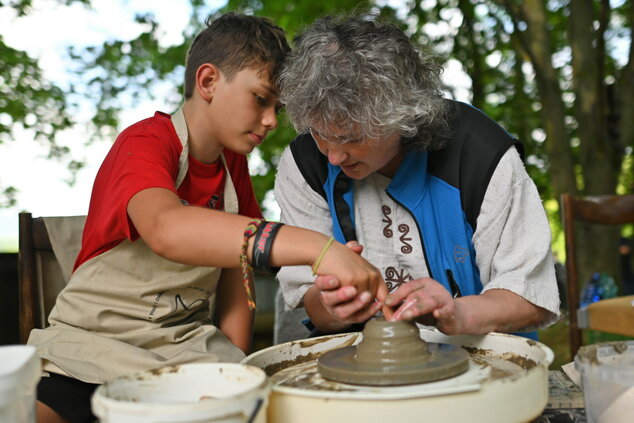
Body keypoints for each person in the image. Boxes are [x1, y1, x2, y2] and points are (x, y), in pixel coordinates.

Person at [28, 13, 386, 423]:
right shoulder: (144, 142)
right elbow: (167, 229)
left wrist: (232, 365)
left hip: (184, 352)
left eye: (277, 108)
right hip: (89, 352)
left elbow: (239, 271)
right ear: (208, 81)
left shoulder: (234, 168)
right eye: (260, 99)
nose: (271, 121)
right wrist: (316, 248)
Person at [273, 14, 561, 343]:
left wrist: (458, 313)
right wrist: (331, 306)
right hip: (362, 366)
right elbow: (307, 301)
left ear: (404, 117)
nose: (334, 157)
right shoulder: (305, 164)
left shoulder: (480, 155)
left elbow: (532, 297)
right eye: (321, 134)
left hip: (482, 360)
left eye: (352, 138)